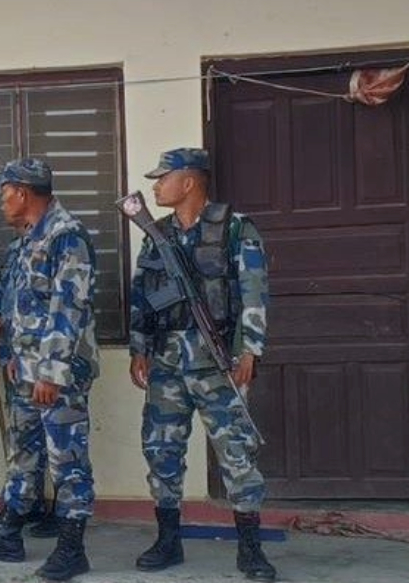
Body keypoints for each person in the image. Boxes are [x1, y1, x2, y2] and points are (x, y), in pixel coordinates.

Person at [128, 148, 276, 582]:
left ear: (189, 182)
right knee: (161, 449)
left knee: (236, 453)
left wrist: (251, 348)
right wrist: (139, 347)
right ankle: (167, 540)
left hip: (217, 361)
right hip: (167, 361)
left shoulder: (235, 229)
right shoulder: (153, 234)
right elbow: (142, 295)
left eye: (163, 178)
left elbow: (254, 289)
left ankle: (250, 549)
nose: (156, 186)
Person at [0, 158, 99, 582]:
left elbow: (67, 311)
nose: (2, 201)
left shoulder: (65, 237)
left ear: (22, 192)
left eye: (4, 192)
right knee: (22, 454)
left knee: (67, 459)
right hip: (27, 371)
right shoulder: (26, 241)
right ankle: (9, 535)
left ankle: (72, 549)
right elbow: (24, 307)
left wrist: (51, 374)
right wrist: (15, 353)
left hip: (57, 375)